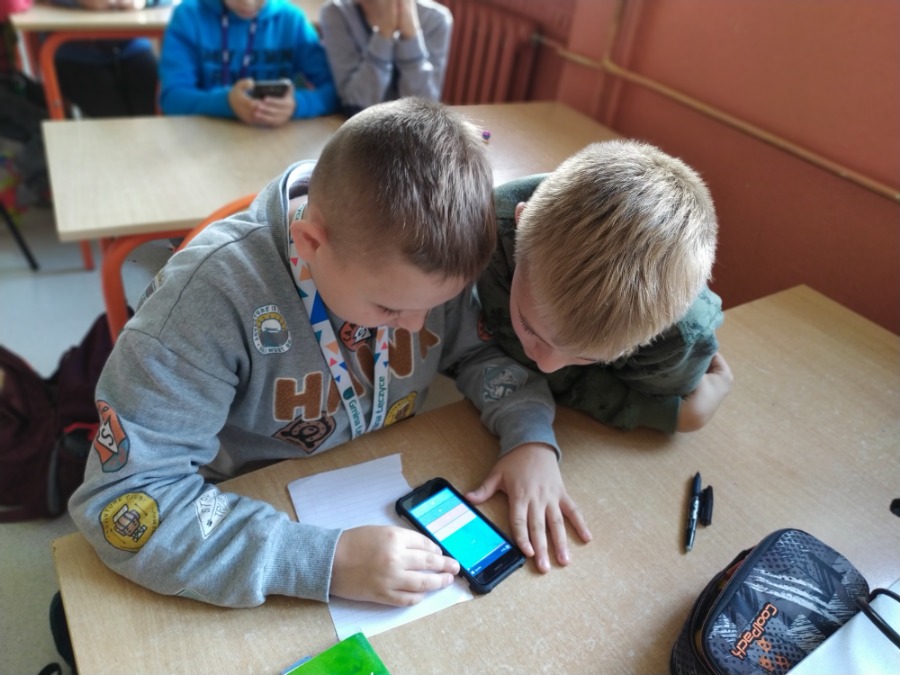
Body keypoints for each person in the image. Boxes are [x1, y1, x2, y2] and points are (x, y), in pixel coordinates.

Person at [68, 98, 590, 610]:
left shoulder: (424, 269)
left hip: (361, 486)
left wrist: (529, 438)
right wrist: (325, 563)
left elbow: (480, 355)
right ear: (311, 242)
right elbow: (125, 501)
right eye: (390, 308)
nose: (417, 325)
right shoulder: (205, 302)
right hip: (238, 507)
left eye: (436, 306)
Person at [474, 140, 733, 457]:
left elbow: (663, 394)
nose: (546, 365)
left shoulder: (678, 338)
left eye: (588, 357)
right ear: (520, 224)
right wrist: (664, 414)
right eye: (528, 328)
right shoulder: (486, 231)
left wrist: (671, 411)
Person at [159, 0, 338, 125]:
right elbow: (172, 98)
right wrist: (226, 103)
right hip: (206, 138)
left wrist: (297, 104)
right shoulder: (188, 16)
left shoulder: (292, 20)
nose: (248, 2)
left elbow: (336, 92)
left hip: (276, 140)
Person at [319, 0, 451, 115]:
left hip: (411, 132)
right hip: (355, 127)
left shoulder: (436, 19)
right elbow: (354, 103)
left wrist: (411, 35)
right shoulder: (336, 12)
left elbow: (425, 110)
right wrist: (384, 34)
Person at [45, 0, 169, 117]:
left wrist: (145, 2)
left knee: (154, 111)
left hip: (132, 45)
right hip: (74, 51)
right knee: (116, 121)